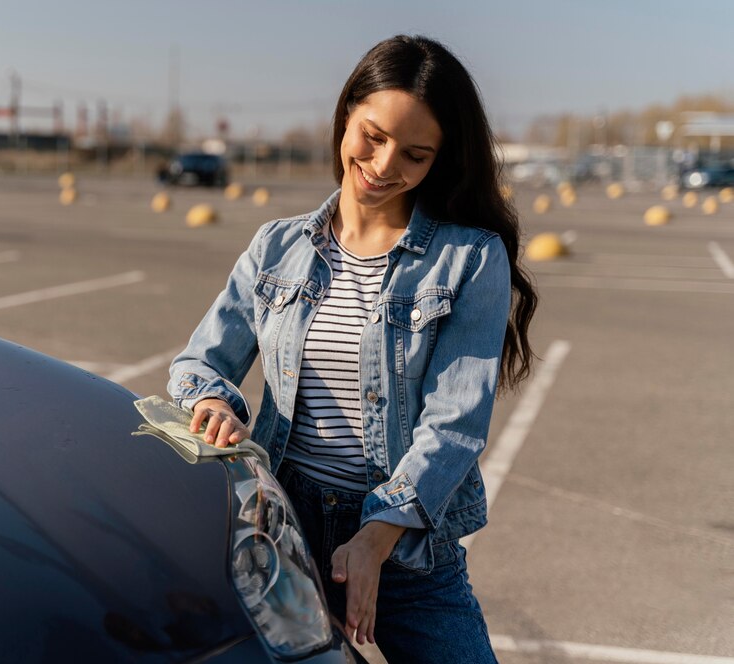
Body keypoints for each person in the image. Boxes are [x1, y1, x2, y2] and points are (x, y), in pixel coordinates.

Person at [168, 34, 537, 663]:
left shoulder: (471, 259)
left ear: (438, 161)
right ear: (346, 115)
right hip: (285, 534)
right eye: (373, 135)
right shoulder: (276, 247)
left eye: (415, 155)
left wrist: (376, 536)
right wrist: (215, 404)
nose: (385, 164)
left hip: (406, 550)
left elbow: (454, 424)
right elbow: (198, 362)